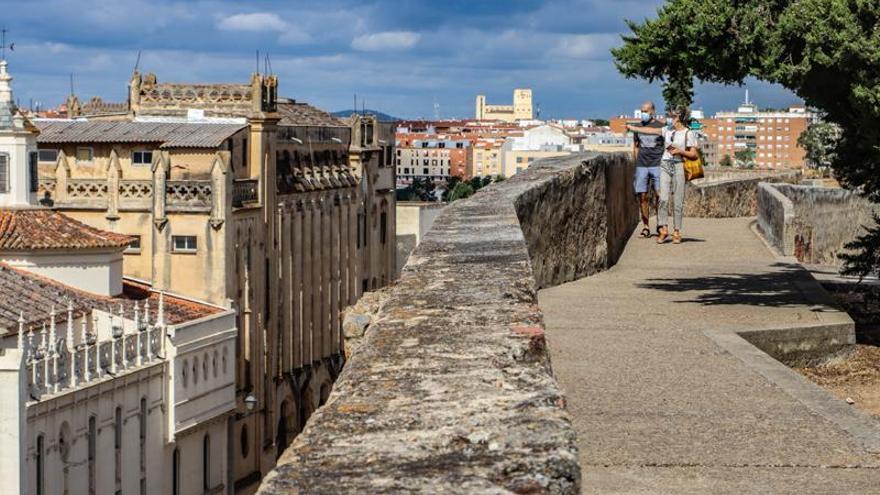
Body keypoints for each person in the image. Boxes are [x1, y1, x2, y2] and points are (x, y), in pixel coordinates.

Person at [627, 107, 698, 244]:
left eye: (672, 116)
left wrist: (680, 151)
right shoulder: (667, 130)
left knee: (677, 201)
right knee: (663, 199)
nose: (669, 118)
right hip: (664, 165)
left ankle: (677, 231)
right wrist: (633, 128)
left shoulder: (688, 133)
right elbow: (650, 131)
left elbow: (693, 154)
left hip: (678, 165)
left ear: (679, 117)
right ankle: (664, 229)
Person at [630, 101, 664, 238]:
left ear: (653, 111)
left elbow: (666, 146)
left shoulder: (661, 127)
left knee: (659, 196)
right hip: (642, 165)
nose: (643, 113)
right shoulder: (638, 127)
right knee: (642, 196)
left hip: (657, 164)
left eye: (646, 111)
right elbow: (636, 146)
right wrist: (636, 163)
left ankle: (660, 224)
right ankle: (645, 226)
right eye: (642, 110)